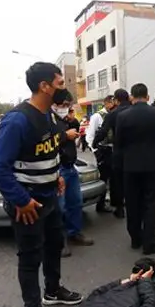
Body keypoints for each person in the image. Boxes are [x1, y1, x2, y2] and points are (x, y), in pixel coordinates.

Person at [0, 62, 83, 307]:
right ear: (44, 86)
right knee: (30, 258)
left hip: (50, 196)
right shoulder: (18, 120)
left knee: (54, 246)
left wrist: (57, 177)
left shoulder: (50, 117)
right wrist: (21, 201)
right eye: (60, 83)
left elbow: (49, 150)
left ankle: (52, 291)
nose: (63, 90)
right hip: (27, 205)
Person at [116, 83, 155, 254]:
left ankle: (135, 238)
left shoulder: (122, 116)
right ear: (148, 97)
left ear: (132, 97)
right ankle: (149, 242)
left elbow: (118, 143)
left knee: (133, 203)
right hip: (153, 165)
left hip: (130, 166)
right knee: (151, 204)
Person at [52, 89, 94, 251]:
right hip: (57, 169)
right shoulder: (49, 120)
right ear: (54, 105)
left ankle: (74, 233)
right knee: (59, 208)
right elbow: (47, 141)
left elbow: (76, 128)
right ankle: (58, 242)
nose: (66, 109)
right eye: (63, 106)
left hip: (70, 167)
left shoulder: (67, 120)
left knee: (75, 203)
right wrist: (64, 135)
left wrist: (71, 119)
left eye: (68, 106)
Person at [94, 89, 131, 219]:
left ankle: (120, 208)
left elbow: (103, 131)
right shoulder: (135, 111)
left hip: (119, 151)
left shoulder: (113, 114)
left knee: (117, 181)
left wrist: (95, 143)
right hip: (135, 152)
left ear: (116, 100)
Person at [85, 95, 117, 214]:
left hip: (114, 149)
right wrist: (96, 152)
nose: (115, 105)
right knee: (103, 178)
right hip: (103, 150)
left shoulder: (114, 115)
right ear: (107, 103)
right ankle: (101, 204)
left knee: (114, 178)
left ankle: (113, 201)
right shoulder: (97, 116)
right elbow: (90, 136)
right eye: (113, 103)